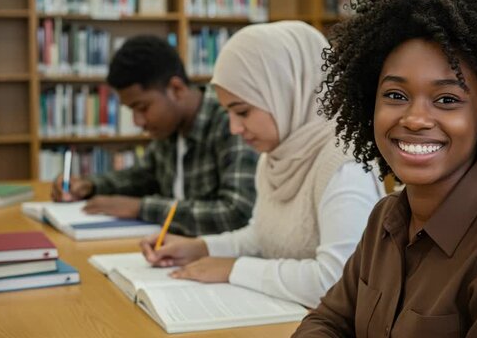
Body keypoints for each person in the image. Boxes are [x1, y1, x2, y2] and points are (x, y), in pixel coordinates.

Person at [293, 0, 477, 336]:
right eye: (395, 95)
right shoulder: (385, 219)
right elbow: (328, 322)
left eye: (447, 100)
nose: (415, 119)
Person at [140, 21, 385, 308]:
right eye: (228, 113)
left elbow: (338, 281)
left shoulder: (346, 166)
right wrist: (202, 248)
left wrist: (233, 268)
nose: (234, 128)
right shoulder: (276, 155)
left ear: (287, 90)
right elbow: (263, 235)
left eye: (242, 111)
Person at [50, 35, 258, 236]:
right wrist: (89, 186)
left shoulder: (231, 122)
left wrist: (141, 208)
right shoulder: (170, 128)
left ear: (176, 89)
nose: (138, 122)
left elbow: (236, 213)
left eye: (142, 107)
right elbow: (140, 177)